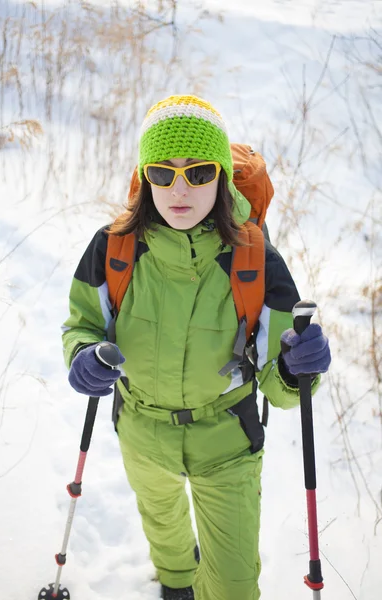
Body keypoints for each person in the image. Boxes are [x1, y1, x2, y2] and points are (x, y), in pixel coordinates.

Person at [62, 95, 331, 600]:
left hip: (225, 440)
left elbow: (282, 384)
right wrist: (81, 357)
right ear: (145, 179)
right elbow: (83, 323)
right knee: (164, 531)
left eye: (199, 173)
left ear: (223, 178)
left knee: (232, 585)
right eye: (162, 174)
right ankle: (175, 583)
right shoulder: (114, 247)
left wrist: (299, 369)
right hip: (140, 429)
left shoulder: (255, 260)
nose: (179, 189)